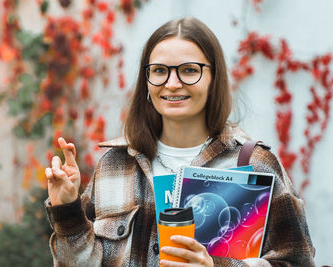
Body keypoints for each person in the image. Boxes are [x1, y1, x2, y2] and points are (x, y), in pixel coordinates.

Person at [44, 17, 315, 266]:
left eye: (188, 70)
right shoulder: (114, 165)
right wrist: (67, 210)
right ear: (147, 80)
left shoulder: (254, 164)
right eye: (160, 71)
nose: (172, 83)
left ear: (213, 78)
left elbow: (297, 261)